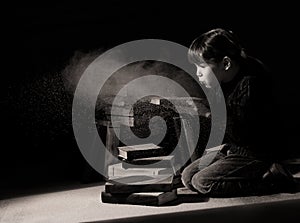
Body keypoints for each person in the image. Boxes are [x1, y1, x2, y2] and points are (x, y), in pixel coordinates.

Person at [181, 28, 296, 197]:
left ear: (226, 63)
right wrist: (202, 106)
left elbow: (242, 132)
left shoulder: (251, 84)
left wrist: (206, 113)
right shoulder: (227, 76)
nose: (197, 73)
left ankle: (272, 180)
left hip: (257, 153)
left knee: (202, 182)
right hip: (236, 148)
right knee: (188, 177)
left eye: (202, 66)